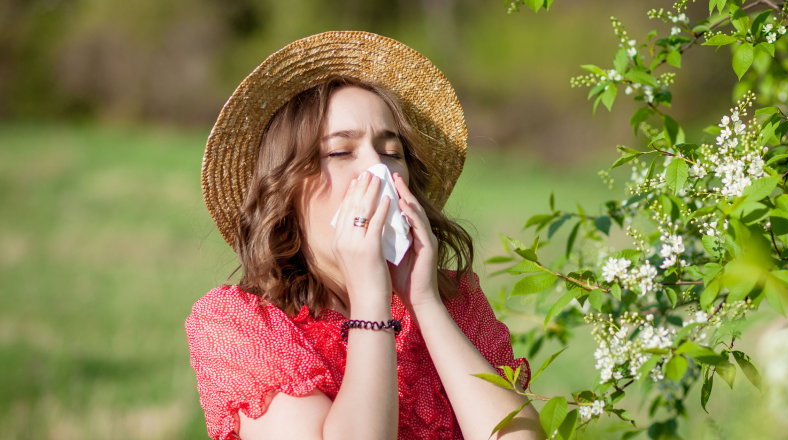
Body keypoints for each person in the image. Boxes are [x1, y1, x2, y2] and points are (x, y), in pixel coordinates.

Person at [185, 31, 541, 440]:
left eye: (392, 153)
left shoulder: (455, 302)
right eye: (340, 152)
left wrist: (425, 302)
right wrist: (370, 297)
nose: (378, 169)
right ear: (285, 189)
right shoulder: (240, 324)